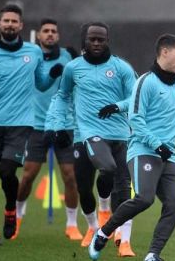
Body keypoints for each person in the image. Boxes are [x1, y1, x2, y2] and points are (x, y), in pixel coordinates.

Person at [88, 33, 175, 261]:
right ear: (164, 52)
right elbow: (135, 119)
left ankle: (153, 254)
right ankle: (102, 233)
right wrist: (156, 144)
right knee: (144, 198)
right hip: (143, 152)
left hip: (167, 156)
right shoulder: (146, 81)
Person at [51, 22, 137, 256]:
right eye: (92, 39)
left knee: (123, 187)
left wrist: (117, 106)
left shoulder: (122, 68)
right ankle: (95, 222)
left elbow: (136, 98)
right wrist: (59, 126)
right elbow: (62, 97)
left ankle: (124, 240)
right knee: (86, 185)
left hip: (120, 135)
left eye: (101, 39)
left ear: (108, 41)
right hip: (87, 134)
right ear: (85, 42)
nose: (97, 43)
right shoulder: (73, 68)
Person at [0, 4, 58, 244]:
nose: (9, 24)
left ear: (21, 26)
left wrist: (53, 74)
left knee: (8, 172)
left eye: (14, 21)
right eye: (5, 21)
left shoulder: (34, 52)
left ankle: (11, 209)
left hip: (20, 124)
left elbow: (41, 84)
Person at [14, 18, 82, 241]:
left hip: (65, 125)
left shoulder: (69, 55)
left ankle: (72, 224)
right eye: (46, 31)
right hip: (36, 126)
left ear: (58, 36)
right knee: (28, 175)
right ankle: (16, 216)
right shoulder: (30, 56)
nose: (50, 34)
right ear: (39, 35)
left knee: (70, 177)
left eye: (54, 31)